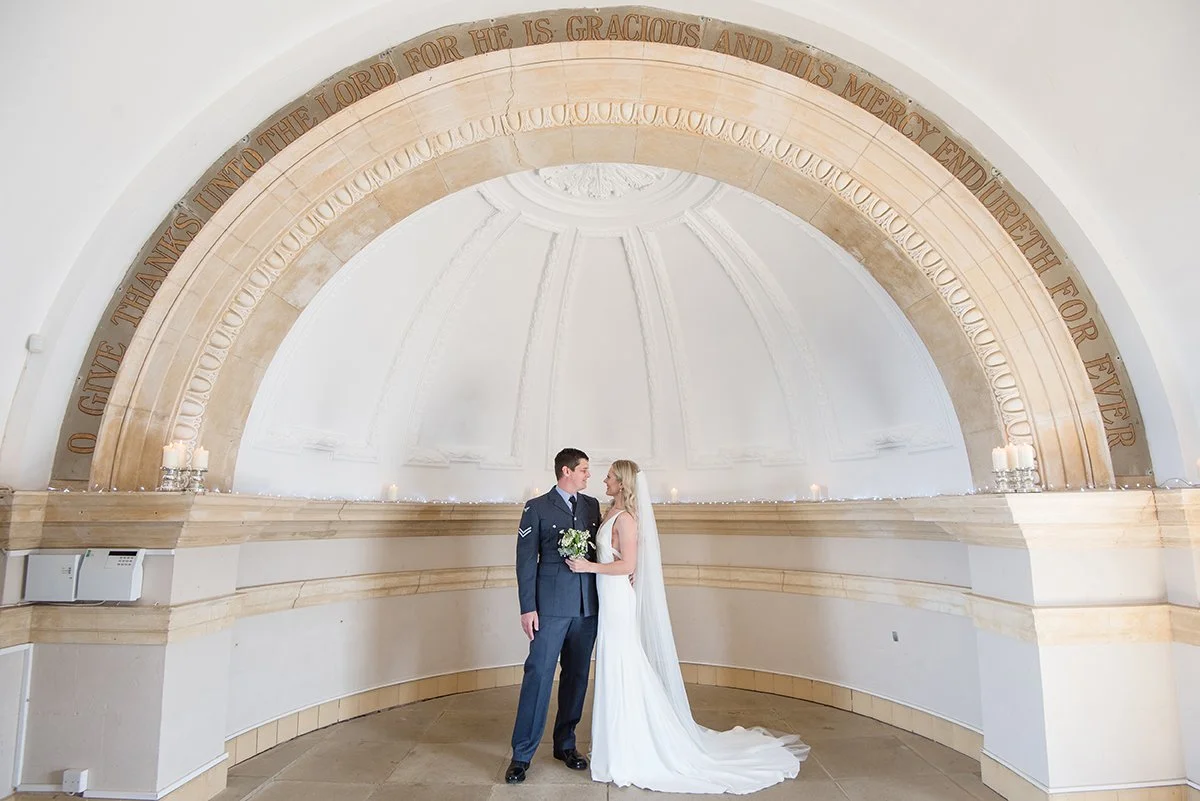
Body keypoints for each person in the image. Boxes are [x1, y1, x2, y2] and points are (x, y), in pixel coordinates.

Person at [566, 459, 810, 794]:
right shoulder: (609, 511)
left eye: (609, 476)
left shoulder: (626, 519)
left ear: (622, 483)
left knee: (623, 662)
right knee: (613, 663)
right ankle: (617, 743)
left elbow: (628, 565)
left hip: (618, 600)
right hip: (606, 598)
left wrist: (588, 567)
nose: (603, 480)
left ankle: (630, 748)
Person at [506, 448, 602, 784]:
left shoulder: (591, 506)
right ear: (566, 471)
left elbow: (599, 553)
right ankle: (522, 754)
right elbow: (525, 560)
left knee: (576, 678)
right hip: (549, 609)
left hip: (586, 608)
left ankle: (565, 744)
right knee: (538, 675)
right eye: (584, 469)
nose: (588, 475)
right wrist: (527, 607)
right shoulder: (536, 507)